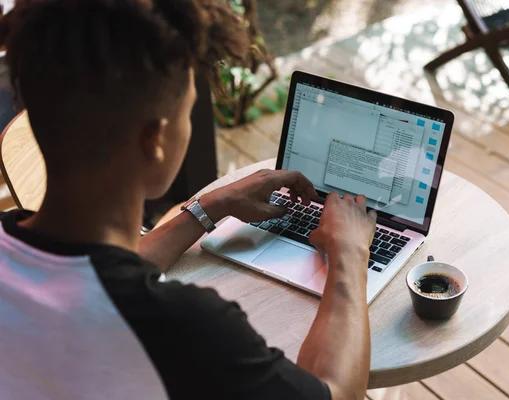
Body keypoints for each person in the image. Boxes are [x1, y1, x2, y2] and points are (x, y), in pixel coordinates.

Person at [0, 1, 377, 399]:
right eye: (187, 110)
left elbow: (93, 279)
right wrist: (349, 253)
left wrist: (211, 206)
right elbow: (337, 393)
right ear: (156, 141)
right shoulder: (184, 328)